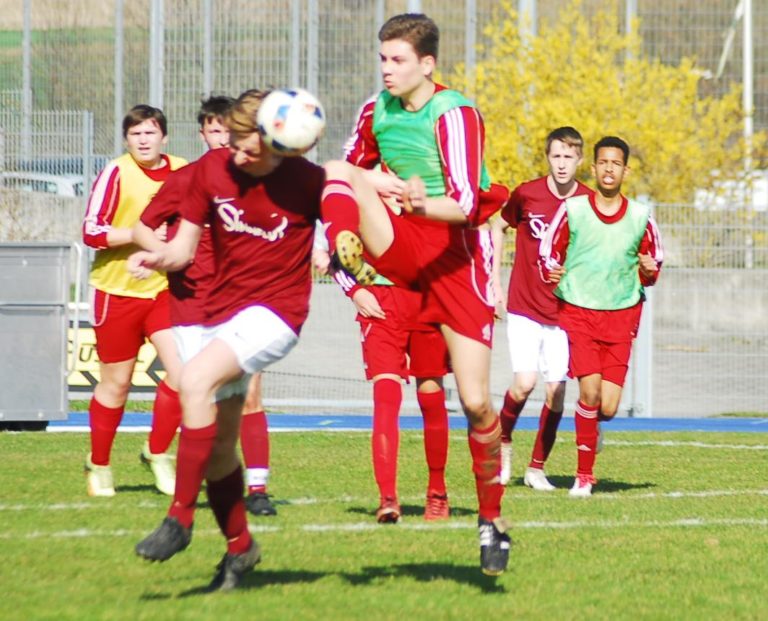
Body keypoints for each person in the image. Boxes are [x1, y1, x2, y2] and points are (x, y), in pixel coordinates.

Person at [321, 13, 511, 575]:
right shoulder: (373, 110)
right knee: (334, 167)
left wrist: (419, 202)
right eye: (382, 59)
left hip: (455, 256)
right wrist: (386, 193)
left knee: (476, 403)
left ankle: (492, 521)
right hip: (401, 243)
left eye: (397, 60)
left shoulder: (455, 114)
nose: (386, 70)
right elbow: (352, 173)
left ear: (427, 65)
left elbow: (470, 204)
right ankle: (342, 251)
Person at [129, 89, 325, 592]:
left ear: (276, 139)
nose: (232, 150)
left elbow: (354, 192)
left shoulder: (307, 180)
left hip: (277, 314)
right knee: (219, 450)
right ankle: (241, 549)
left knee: (191, 381)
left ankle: (180, 520)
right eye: (227, 139)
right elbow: (181, 249)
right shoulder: (212, 171)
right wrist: (156, 258)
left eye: (243, 142)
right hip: (215, 313)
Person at [133, 95, 278, 517]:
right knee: (198, 394)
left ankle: (258, 488)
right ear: (202, 134)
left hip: (245, 302)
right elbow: (145, 226)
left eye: (227, 131)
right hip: (194, 303)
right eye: (213, 130)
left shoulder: (255, 180)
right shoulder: (189, 178)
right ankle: (190, 485)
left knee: (250, 393)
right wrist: (164, 254)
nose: (220, 138)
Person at [539, 136, 663, 497]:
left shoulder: (641, 216)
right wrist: (551, 270)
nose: (609, 169)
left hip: (621, 315)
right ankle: (583, 477)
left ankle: (593, 427)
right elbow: (549, 250)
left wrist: (649, 270)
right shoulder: (574, 209)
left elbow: (653, 263)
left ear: (625, 170)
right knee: (588, 393)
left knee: (606, 406)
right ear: (593, 168)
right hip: (579, 310)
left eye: (616, 164)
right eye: (603, 163)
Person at [81, 104, 186, 497]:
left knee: (183, 371)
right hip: (116, 291)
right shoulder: (116, 172)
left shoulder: (182, 169)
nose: (144, 140)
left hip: (164, 290)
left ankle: (157, 452)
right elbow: (91, 231)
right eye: (136, 134)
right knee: (117, 384)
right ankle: (100, 463)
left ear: (164, 137)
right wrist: (140, 235)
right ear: (127, 140)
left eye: (150, 132)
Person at [491, 127, 593, 491]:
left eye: (569, 156)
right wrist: (495, 280)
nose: (562, 164)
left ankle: (536, 468)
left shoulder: (588, 202)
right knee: (524, 384)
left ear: (579, 160)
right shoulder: (527, 194)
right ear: (547, 158)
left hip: (565, 312)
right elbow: (497, 226)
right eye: (556, 156)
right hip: (524, 306)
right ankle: (501, 443)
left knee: (556, 392)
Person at [334, 273, 451, 523]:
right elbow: (336, 245)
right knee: (386, 399)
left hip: (428, 297)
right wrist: (354, 290)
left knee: (431, 398)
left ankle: (437, 492)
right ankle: (387, 498)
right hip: (381, 301)